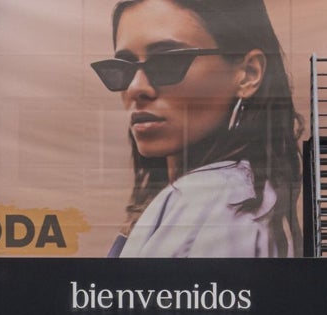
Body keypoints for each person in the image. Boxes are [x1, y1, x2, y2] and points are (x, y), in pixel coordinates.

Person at [92, 0, 302, 258]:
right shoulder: (244, 193)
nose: (135, 88)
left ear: (248, 73)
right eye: (123, 68)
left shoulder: (212, 198)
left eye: (167, 62)